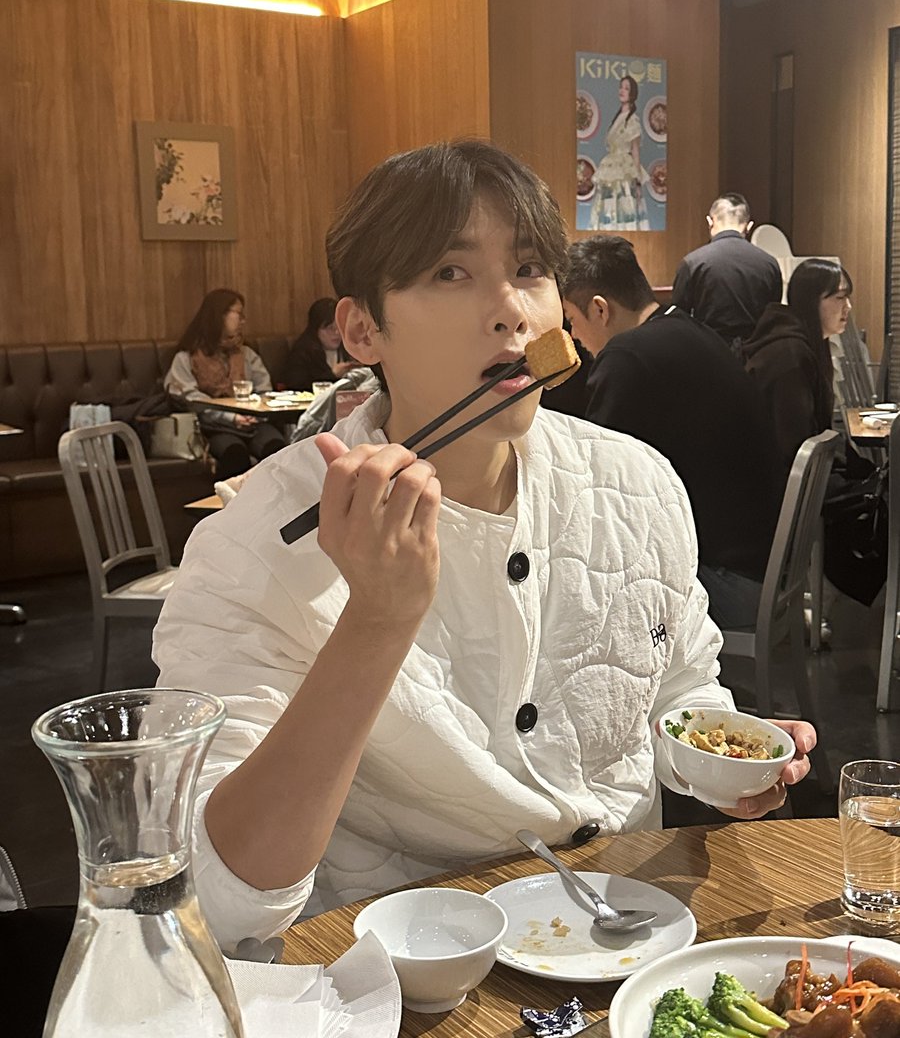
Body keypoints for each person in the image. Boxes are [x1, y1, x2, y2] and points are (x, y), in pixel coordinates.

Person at [153, 140, 814, 948]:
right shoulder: (256, 542)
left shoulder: (636, 481)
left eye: (531, 269)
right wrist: (376, 621)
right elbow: (221, 898)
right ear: (362, 330)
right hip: (407, 963)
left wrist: (719, 758)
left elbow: (680, 685)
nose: (512, 311)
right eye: (450, 272)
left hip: (627, 934)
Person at [562, 236, 783, 630]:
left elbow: (595, 483)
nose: (574, 337)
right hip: (765, 569)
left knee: (572, 583)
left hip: (731, 585)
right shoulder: (688, 328)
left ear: (599, 309)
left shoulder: (626, 356)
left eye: (572, 321)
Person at [743, 259, 852, 473]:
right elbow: (795, 447)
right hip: (774, 480)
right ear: (811, 301)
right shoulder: (788, 355)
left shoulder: (810, 344)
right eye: (840, 297)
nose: (848, 306)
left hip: (802, 475)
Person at [165, 288, 286, 479]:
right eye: (239, 314)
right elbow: (190, 398)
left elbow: (265, 390)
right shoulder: (187, 357)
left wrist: (255, 415)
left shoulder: (247, 354)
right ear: (219, 316)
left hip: (254, 424)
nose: (243, 321)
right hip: (213, 427)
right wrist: (231, 418)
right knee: (234, 453)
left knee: (277, 448)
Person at [671, 193, 782, 348]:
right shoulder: (769, 264)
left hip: (709, 352)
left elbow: (678, 319)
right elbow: (773, 316)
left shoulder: (692, 263)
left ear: (710, 222)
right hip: (756, 353)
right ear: (749, 226)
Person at [589, 75, 649, 231]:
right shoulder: (618, 118)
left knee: (625, 206)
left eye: (626, 88)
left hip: (625, 169)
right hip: (610, 165)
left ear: (632, 93)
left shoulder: (632, 120)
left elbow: (635, 150)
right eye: (621, 87)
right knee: (607, 206)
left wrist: (637, 179)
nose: (622, 90)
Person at [283, 298, 358, 391]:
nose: (337, 333)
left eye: (339, 327)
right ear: (315, 329)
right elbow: (296, 385)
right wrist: (332, 375)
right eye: (330, 328)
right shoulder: (303, 351)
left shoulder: (348, 346)